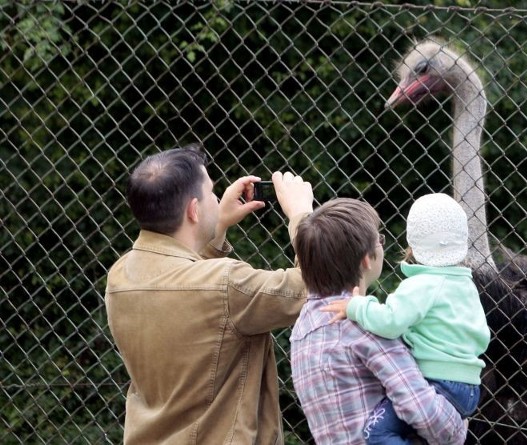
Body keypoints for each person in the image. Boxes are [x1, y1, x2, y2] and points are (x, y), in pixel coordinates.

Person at [105, 144, 314, 444]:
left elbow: (185, 282)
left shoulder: (121, 275)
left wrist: (216, 226)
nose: (218, 198)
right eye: (212, 193)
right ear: (193, 210)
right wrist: (301, 215)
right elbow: (313, 285)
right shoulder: (227, 284)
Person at [290, 197, 468, 445]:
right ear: (367, 259)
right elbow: (423, 410)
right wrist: (458, 427)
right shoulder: (363, 326)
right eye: (380, 240)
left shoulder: (302, 328)